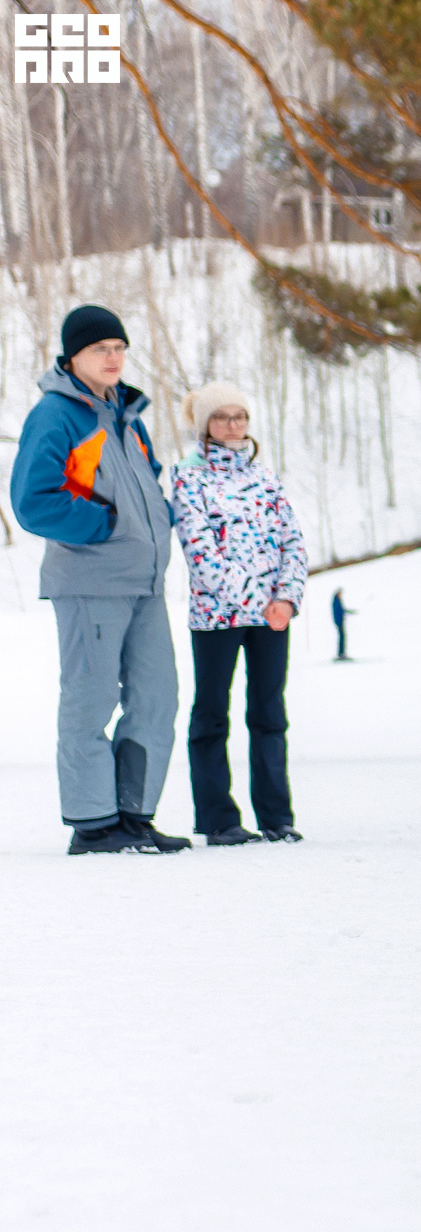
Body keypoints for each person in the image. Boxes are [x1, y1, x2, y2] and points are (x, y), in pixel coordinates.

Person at [9, 305, 187, 854]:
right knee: (90, 699)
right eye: (98, 350)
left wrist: (158, 517)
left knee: (158, 696)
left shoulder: (125, 415)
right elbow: (32, 501)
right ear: (72, 358)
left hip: (144, 582)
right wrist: (105, 525)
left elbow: (146, 482)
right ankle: (94, 823)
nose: (112, 358)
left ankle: (133, 815)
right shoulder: (57, 415)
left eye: (118, 348)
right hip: (90, 580)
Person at [170, 383, 309, 845]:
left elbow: (292, 540)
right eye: (222, 417)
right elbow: (201, 555)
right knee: (212, 713)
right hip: (218, 617)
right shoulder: (189, 479)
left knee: (269, 712)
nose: (233, 425)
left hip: (272, 618)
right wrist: (258, 602)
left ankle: (276, 816)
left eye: (240, 416)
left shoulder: (265, 478)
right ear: (205, 424)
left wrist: (286, 599)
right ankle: (218, 819)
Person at [330, 588, 354, 660]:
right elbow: (339, 611)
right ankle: (341, 654)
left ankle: (342, 653)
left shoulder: (338, 601)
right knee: (342, 637)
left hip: (340, 621)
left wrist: (350, 612)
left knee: (342, 637)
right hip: (339, 621)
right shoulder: (336, 601)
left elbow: (342, 610)